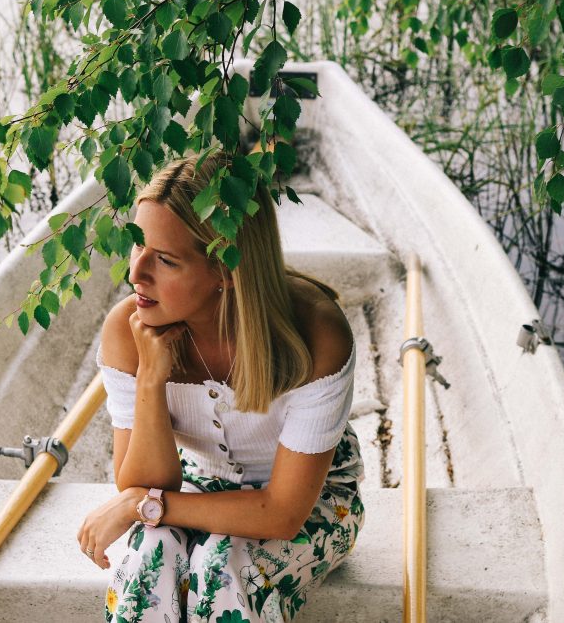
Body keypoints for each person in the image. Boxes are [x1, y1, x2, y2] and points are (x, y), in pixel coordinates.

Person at [77, 150, 365, 623]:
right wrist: (152, 377)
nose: (136, 274)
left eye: (165, 260)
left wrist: (143, 505)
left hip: (317, 502)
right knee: (150, 556)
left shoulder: (317, 333)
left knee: (221, 565)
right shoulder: (126, 329)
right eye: (136, 246)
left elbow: (281, 514)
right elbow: (143, 485)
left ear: (226, 270)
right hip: (198, 484)